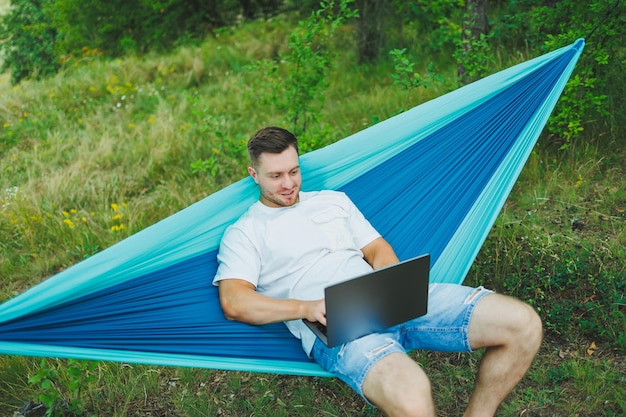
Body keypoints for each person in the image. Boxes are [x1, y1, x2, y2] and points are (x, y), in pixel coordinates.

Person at [213, 126, 543, 417]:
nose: (288, 184)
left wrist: (389, 280)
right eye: (276, 176)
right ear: (253, 174)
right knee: (412, 398)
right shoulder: (245, 232)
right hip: (337, 326)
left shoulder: (333, 201)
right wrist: (306, 308)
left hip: (389, 298)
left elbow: (376, 249)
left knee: (523, 325)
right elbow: (235, 301)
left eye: (294, 172)